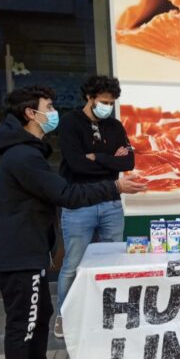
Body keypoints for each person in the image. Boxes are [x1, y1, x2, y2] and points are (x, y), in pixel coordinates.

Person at [0, 85, 145, 359]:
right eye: (48, 106)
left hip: (30, 251)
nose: (53, 112)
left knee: (41, 316)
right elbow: (67, 194)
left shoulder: (27, 152)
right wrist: (115, 184)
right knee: (25, 321)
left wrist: (101, 167)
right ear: (31, 113)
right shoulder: (22, 156)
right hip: (18, 253)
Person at [55, 76, 134, 338]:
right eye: (103, 102)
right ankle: (64, 317)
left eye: (111, 103)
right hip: (78, 204)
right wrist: (111, 160)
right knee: (73, 264)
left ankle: (105, 315)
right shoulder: (70, 123)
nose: (107, 107)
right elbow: (77, 165)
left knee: (111, 262)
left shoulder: (114, 125)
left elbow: (128, 163)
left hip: (111, 203)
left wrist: (97, 157)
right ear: (89, 98)